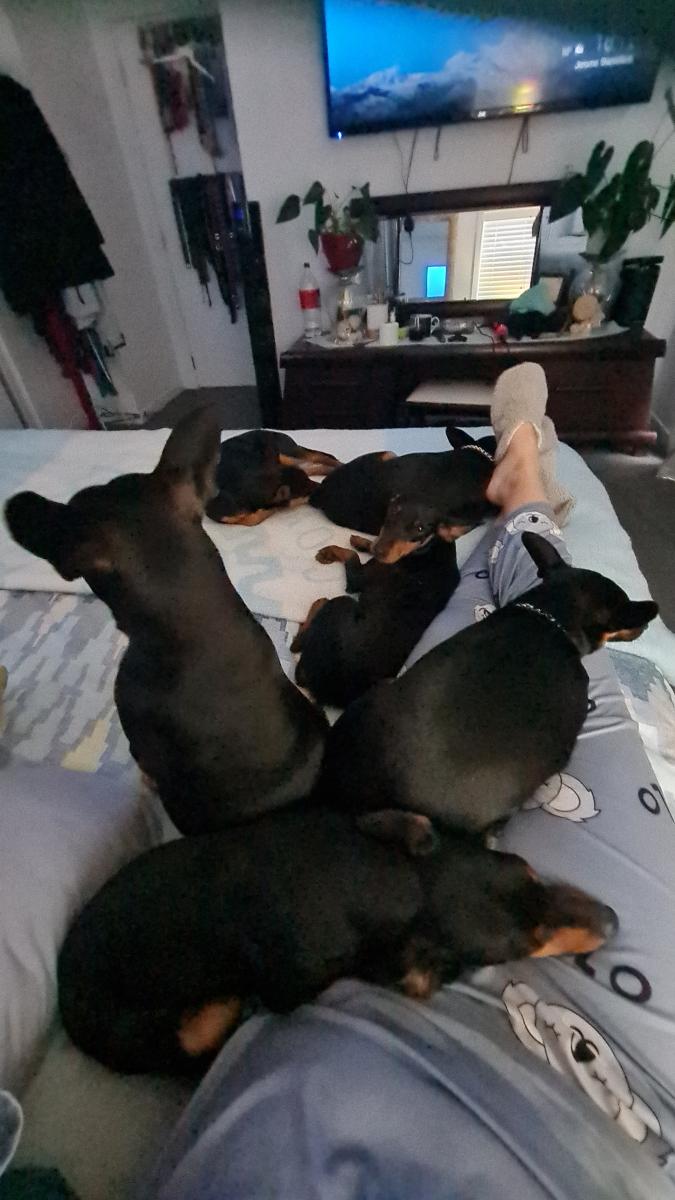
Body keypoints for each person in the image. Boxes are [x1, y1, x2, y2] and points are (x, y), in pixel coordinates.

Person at [152, 425, 675, 1200]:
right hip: (635, 1073)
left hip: (354, 973)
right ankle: (521, 498)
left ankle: (519, 499)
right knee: (557, 650)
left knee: (508, 635)